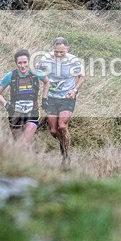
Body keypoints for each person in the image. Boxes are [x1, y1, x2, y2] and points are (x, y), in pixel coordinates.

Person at [36, 37, 85, 168]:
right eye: (56, 51)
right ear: (53, 48)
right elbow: (36, 72)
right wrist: (44, 83)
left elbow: (82, 77)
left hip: (67, 98)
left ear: (67, 49)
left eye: (61, 52)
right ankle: (63, 145)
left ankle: (66, 155)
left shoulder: (73, 61)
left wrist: (74, 90)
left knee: (62, 126)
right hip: (51, 97)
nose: (58, 54)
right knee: (53, 130)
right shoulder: (46, 59)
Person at [0, 49, 49, 149]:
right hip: (15, 114)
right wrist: (6, 105)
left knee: (25, 143)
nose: (22, 65)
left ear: (29, 62)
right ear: (16, 63)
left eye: (25, 62)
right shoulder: (10, 76)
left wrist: (44, 98)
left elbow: (47, 82)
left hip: (32, 112)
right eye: (20, 63)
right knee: (19, 145)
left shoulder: (36, 73)